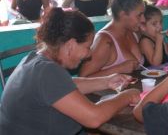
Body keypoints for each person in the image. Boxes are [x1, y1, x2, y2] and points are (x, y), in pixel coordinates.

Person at [0, 8, 140, 134]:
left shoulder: (35, 60)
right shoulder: (47, 72)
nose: (89, 54)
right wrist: (127, 96)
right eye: (87, 47)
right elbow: (94, 118)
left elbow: (65, 86)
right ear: (71, 45)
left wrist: (106, 81)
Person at [79, 0, 145, 77]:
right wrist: (118, 69)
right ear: (123, 14)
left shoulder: (132, 32)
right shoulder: (104, 41)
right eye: (139, 15)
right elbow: (83, 78)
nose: (143, 19)